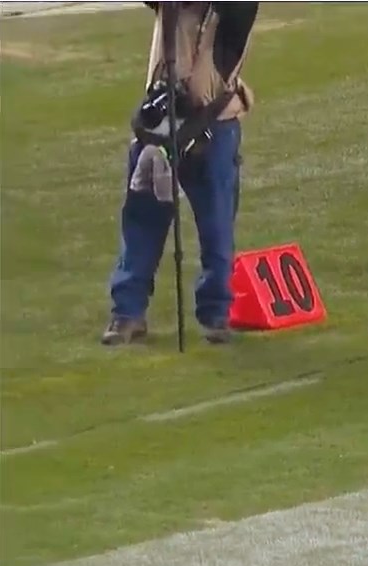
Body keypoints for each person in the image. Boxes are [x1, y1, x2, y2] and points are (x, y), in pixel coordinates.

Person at [102, 1, 258, 345]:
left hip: (212, 126)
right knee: (142, 219)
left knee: (216, 228)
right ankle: (127, 312)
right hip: (161, 121)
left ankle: (215, 315)